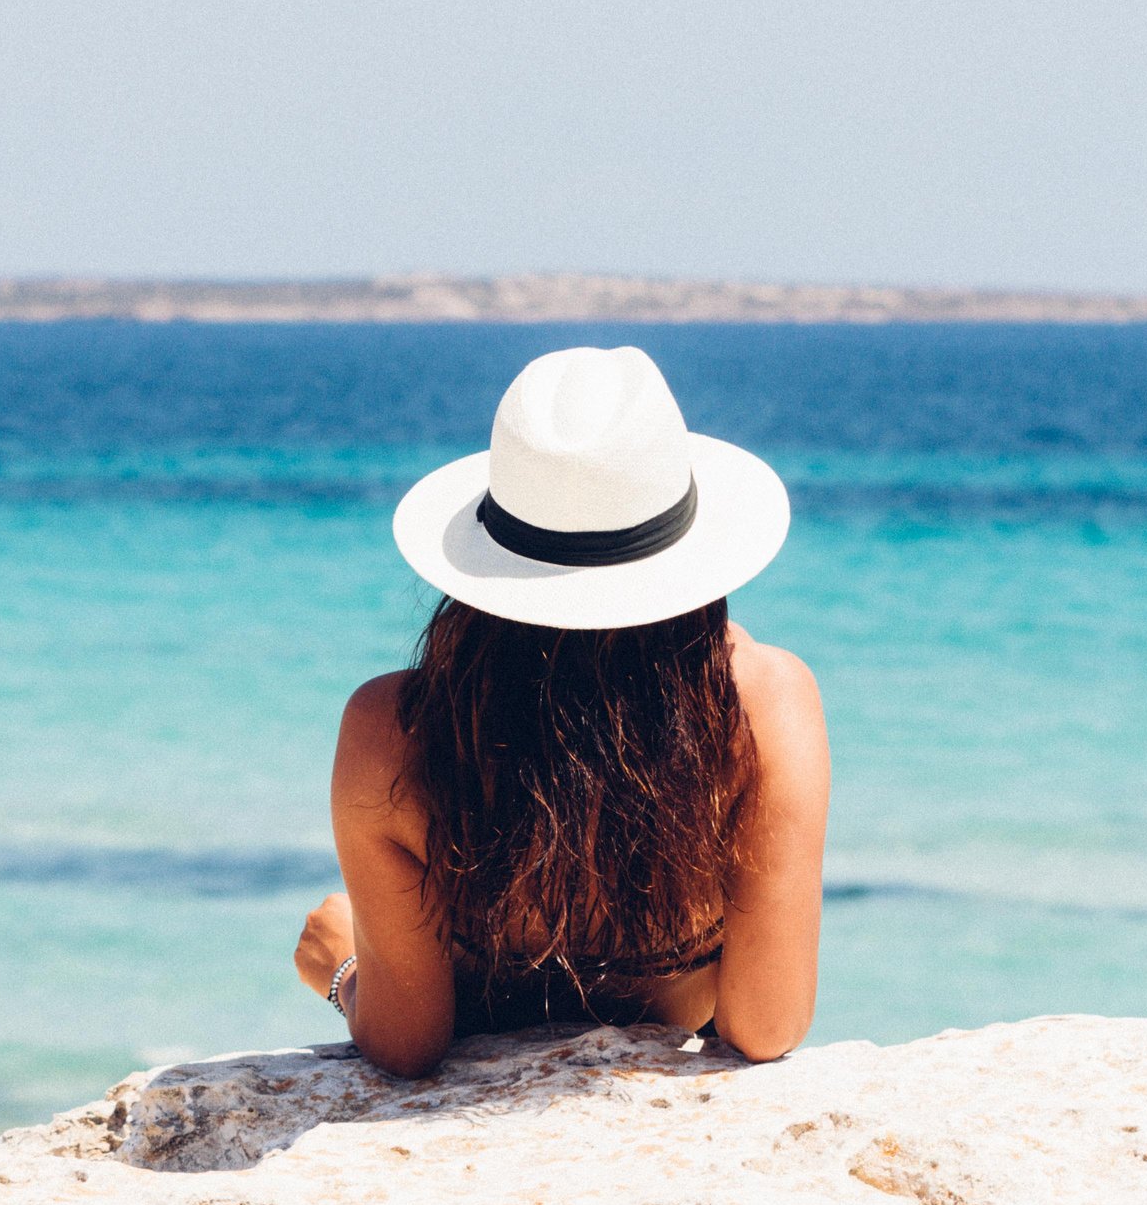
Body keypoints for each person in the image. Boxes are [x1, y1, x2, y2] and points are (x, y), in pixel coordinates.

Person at [292, 345, 829, 1076]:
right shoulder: (764, 705)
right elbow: (766, 1026)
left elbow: (408, 1044)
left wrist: (342, 965)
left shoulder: (394, 729)